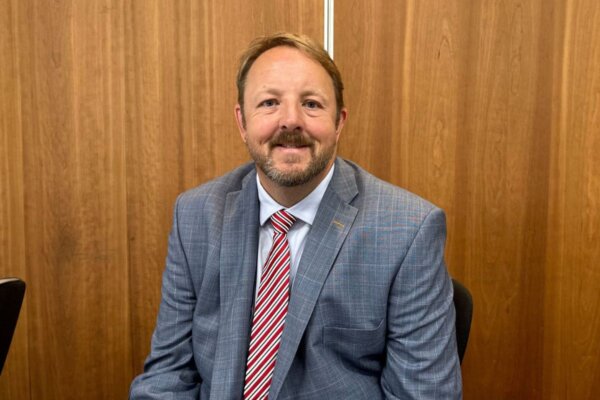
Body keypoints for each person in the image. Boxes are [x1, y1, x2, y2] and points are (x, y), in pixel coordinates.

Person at [130, 32, 462, 399]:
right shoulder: (195, 215)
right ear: (242, 122)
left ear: (339, 122)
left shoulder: (408, 231)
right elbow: (168, 376)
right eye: (269, 102)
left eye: (312, 104)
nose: (290, 120)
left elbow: (424, 394)